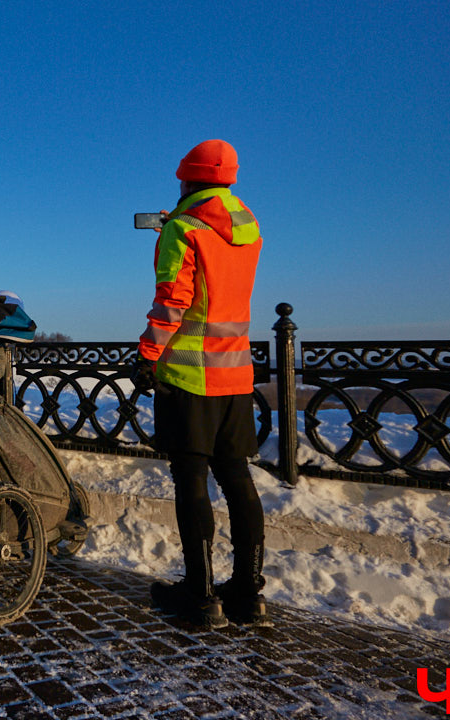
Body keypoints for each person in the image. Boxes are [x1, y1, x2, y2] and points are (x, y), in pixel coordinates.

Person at [132, 139, 267, 629]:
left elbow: (174, 302)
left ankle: (201, 595)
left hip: (189, 376)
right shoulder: (248, 229)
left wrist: (147, 355)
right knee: (236, 476)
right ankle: (250, 595)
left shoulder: (181, 230)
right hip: (237, 374)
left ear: (187, 179)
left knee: (191, 481)